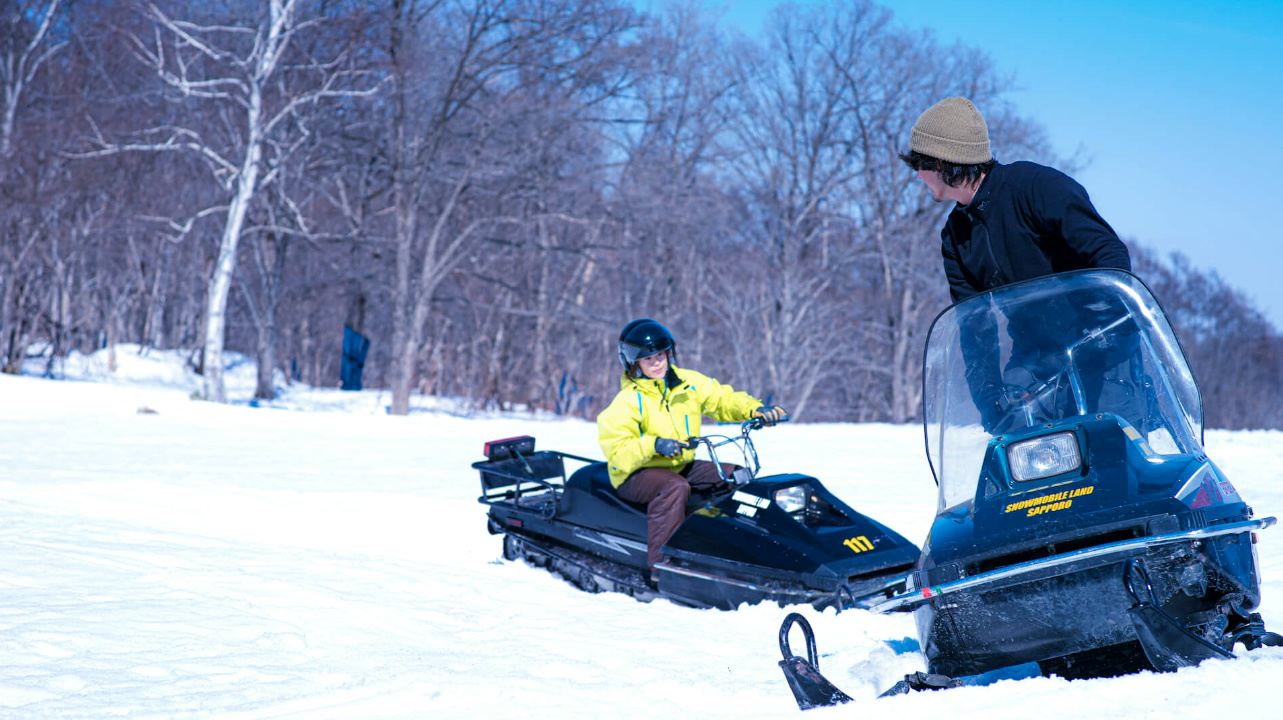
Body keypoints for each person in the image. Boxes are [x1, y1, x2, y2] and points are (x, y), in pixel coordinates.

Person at [900, 97, 1133, 431]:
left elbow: (1109, 255)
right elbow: (974, 326)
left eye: (919, 164)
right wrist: (989, 397)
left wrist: (1100, 329)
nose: (917, 175)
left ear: (943, 163)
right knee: (1018, 467)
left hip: (1102, 357)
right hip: (1033, 363)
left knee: (1108, 468)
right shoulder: (955, 236)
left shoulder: (1037, 188)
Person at [596, 318, 786, 579]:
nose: (657, 362)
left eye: (661, 354)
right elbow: (617, 452)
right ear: (633, 362)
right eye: (648, 358)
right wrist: (654, 445)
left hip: (679, 464)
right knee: (674, 487)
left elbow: (722, 399)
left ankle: (732, 546)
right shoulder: (628, 401)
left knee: (735, 475)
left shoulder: (688, 383)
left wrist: (754, 409)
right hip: (636, 473)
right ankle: (663, 567)